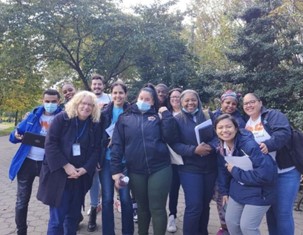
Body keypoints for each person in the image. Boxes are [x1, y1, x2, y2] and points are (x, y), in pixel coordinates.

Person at [110, 84, 176, 235]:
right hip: (135, 170)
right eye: (141, 98)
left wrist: (166, 115)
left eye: (148, 99)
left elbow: (170, 137)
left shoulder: (159, 117)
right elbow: (117, 145)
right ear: (136, 98)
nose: (143, 101)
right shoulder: (124, 118)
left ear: (153, 102)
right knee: (142, 207)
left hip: (160, 168)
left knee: (157, 207)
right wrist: (116, 170)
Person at [36, 90, 102, 235]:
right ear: (76, 103)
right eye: (83, 103)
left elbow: (96, 149)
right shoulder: (62, 119)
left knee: (72, 219)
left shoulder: (94, 124)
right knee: (57, 221)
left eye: (90, 105)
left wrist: (85, 169)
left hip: (79, 178)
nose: (86, 107)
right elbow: (50, 144)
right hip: (59, 176)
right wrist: (66, 166)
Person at [243, 93, 301, 235]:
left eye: (252, 102)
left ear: (260, 102)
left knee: (282, 213)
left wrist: (268, 145)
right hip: (267, 176)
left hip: (285, 172)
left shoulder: (272, 115)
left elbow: (283, 132)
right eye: (245, 104)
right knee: (270, 213)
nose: (249, 105)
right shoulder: (247, 123)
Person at [9, 89, 61, 235]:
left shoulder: (64, 118)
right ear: (42, 100)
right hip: (27, 162)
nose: (50, 104)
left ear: (59, 101)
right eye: (47, 101)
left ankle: (55, 230)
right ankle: (21, 231)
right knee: (21, 201)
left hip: (49, 164)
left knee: (54, 199)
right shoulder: (33, 116)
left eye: (53, 101)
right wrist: (16, 134)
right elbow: (13, 137)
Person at [215, 114, 277, 235]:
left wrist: (235, 171)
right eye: (220, 128)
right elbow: (222, 171)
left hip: (261, 191)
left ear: (236, 128)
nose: (224, 131)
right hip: (239, 188)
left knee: (247, 226)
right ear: (215, 130)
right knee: (231, 222)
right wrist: (224, 191)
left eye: (228, 126)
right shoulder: (221, 148)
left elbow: (266, 175)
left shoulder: (249, 145)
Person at [171, 89, 218, 235]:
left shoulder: (207, 115)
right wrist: (193, 150)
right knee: (194, 206)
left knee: (205, 205)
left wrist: (211, 146)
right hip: (189, 168)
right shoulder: (177, 119)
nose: (190, 103)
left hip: (210, 167)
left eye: (193, 99)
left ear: (198, 100)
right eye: (187, 100)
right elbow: (175, 144)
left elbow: (219, 136)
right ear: (181, 102)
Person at [99, 82, 134, 235]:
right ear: (111, 94)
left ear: (125, 94)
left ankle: (128, 232)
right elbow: (97, 137)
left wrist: (121, 139)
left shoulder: (133, 111)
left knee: (126, 199)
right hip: (106, 161)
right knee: (107, 199)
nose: (118, 96)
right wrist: (107, 142)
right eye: (115, 93)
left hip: (125, 162)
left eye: (121, 93)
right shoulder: (103, 113)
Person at [213, 90, 246, 235]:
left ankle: (235, 227)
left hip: (236, 163)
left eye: (234, 104)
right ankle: (224, 226)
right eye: (227, 103)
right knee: (221, 197)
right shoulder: (213, 116)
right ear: (222, 103)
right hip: (218, 163)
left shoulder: (241, 119)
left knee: (235, 198)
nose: (230, 106)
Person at [87, 73, 112, 232]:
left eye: (99, 84)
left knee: (107, 181)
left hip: (108, 144)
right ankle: (93, 211)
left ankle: (108, 205)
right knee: (94, 180)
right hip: (91, 144)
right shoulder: (87, 98)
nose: (97, 87)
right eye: (94, 84)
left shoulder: (110, 98)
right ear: (91, 85)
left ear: (103, 85)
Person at [166, 88, 182, 233]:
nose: (175, 99)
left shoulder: (188, 114)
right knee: (173, 189)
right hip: (170, 159)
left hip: (187, 158)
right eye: (173, 97)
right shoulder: (165, 114)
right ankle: (172, 215)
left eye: (178, 96)